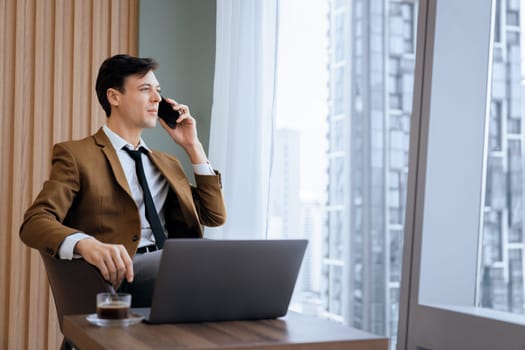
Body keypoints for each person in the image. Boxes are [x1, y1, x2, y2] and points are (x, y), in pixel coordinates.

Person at [19, 54, 227, 306]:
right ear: (114, 97)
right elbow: (34, 222)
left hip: (172, 268)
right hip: (119, 277)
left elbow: (214, 216)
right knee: (203, 269)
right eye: (145, 89)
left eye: (158, 91)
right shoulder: (77, 155)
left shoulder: (166, 163)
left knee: (232, 265)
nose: (157, 98)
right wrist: (86, 244)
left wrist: (193, 146)